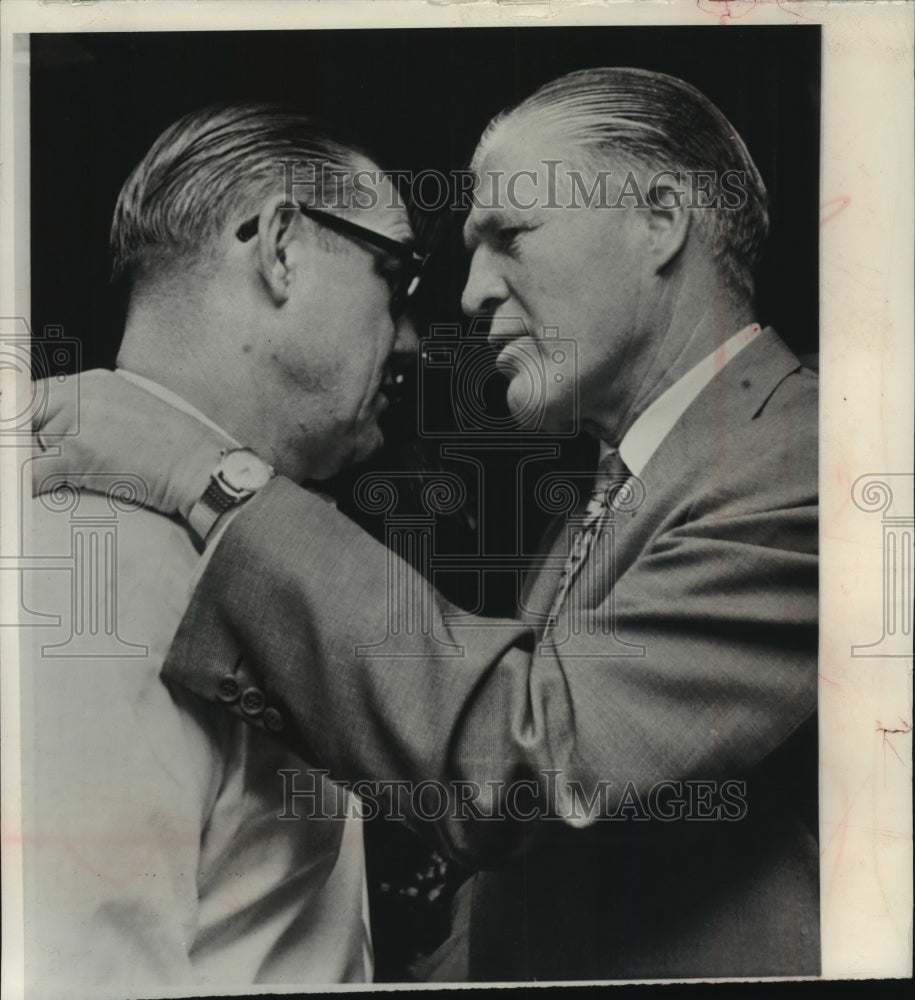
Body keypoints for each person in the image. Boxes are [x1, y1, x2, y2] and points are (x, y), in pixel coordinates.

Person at [35, 69, 819, 980]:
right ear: (279, 251)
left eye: (511, 235)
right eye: (405, 272)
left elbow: (530, 767)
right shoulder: (615, 490)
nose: (467, 295)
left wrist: (207, 476)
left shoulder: (814, 460)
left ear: (660, 218)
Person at [22, 102, 422, 994]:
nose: (411, 341)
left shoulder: (184, 538)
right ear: (282, 246)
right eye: (395, 281)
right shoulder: (102, 562)